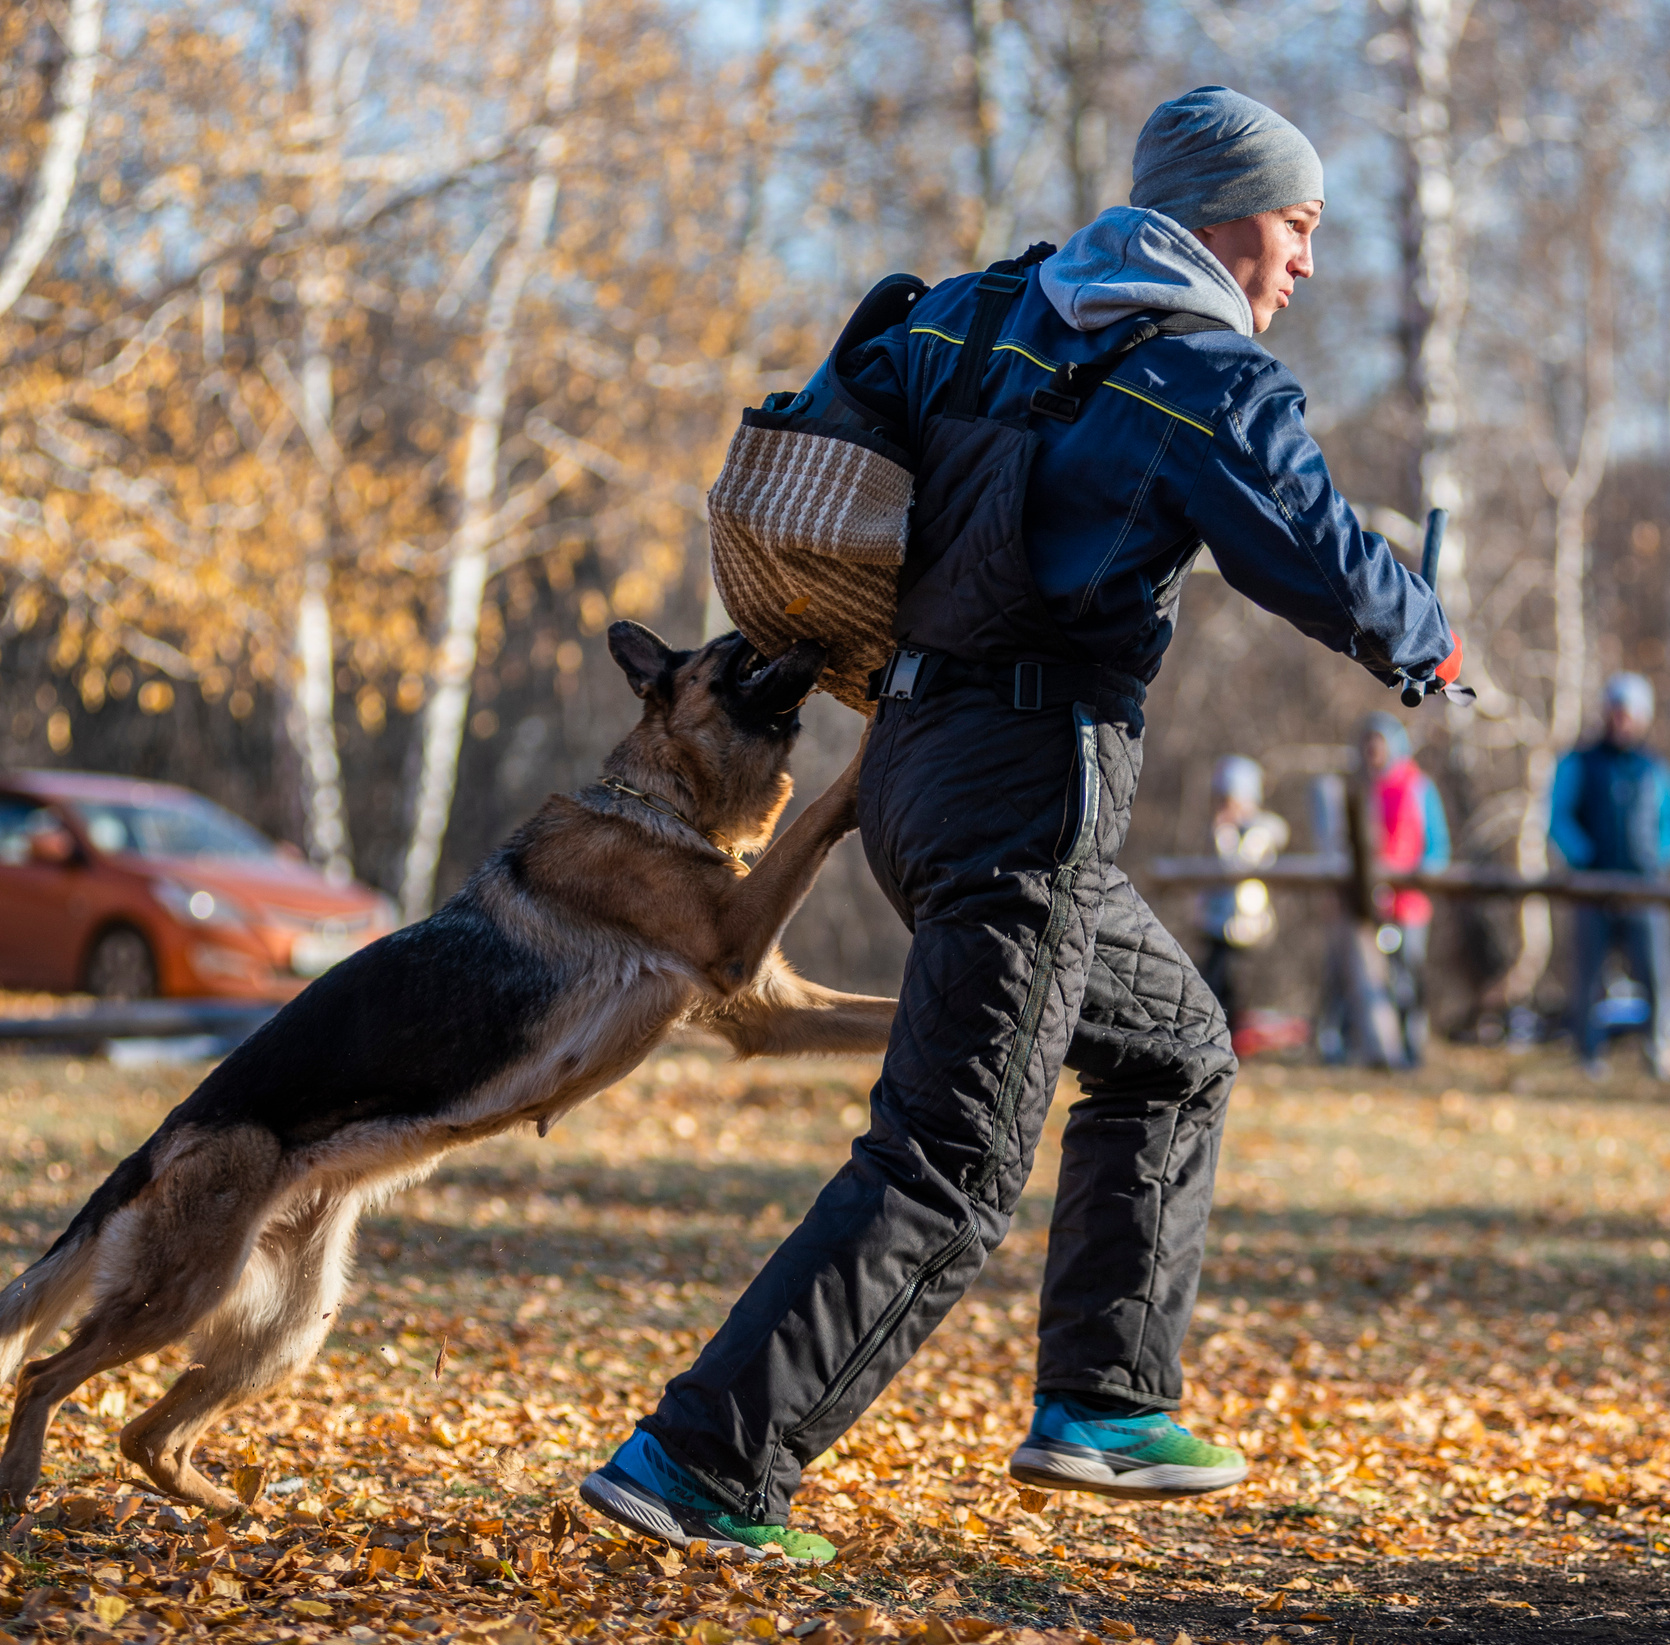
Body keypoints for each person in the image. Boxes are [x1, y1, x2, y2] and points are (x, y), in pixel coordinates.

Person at [581, 85, 1463, 1559]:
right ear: (1226, 215)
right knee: (949, 1159)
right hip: (1030, 787)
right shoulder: (1198, 375)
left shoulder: (976, 313)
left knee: (1174, 1048)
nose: (1304, 262)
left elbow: (836, 402)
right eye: (1298, 228)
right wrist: (1423, 641)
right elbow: (1314, 547)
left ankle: (1108, 1404)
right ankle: (703, 1461)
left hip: (911, 769)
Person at [1549, 673, 1670, 1080]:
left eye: (1628, 714)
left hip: (1644, 888)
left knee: (1655, 974)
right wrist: (1583, 858)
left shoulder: (1654, 768)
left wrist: (1656, 861)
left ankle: (1659, 1050)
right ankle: (1588, 1054)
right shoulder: (1580, 762)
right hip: (1593, 887)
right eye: (1615, 712)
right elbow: (1558, 818)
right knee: (1589, 975)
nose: (1621, 721)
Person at [1360, 712, 1449, 1061]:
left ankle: (1414, 1048)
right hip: (1374, 902)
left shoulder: (1418, 786)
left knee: (1409, 977)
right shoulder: (1367, 789)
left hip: (1410, 904)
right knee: (1375, 977)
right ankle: (1384, 1048)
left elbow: (1437, 845)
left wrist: (1420, 875)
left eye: (1378, 745)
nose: (1373, 753)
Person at [1196, 755, 1289, 1035]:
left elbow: (1235, 865)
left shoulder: (1258, 832)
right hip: (1217, 925)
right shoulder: (1222, 830)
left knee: (1236, 990)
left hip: (1245, 928)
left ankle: (1236, 1040)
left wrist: (1224, 833)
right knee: (1213, 985)